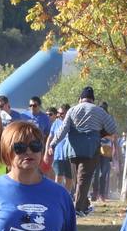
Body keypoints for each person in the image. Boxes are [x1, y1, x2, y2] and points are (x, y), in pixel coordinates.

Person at [48, 86, 117, 216]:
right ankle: (78, 209)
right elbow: (112, 128)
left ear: (80, 99)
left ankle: (84, 206)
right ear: (92, 99)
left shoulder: (72, 110)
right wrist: (100, 129)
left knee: (77, 180)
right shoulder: (99, 111)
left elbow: (62, 130)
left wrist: (53, 144)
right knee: (83, 179)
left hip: (72, 149)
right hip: (90, 148)